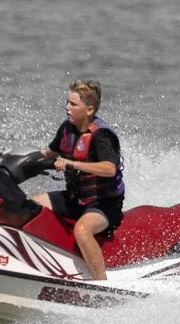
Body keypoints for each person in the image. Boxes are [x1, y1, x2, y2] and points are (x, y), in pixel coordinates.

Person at [39, 79, 123, 280]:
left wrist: (72, 164)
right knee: (28, 206)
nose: (67, 108)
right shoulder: (66, 129)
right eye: (67, 102)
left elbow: (109, 169)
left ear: (89, 109)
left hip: (103, 204)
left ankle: (101, 284)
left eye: (73, 104)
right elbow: (49, 153)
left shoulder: (102, 136)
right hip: (74, 198)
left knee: (83, 230)